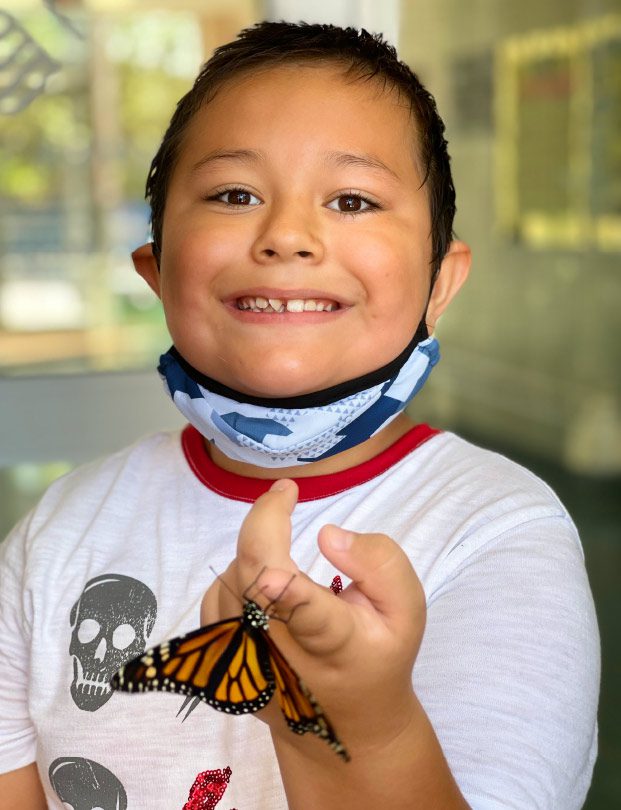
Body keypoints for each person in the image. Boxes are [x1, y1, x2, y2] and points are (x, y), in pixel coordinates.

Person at [0, 21, 599, 810]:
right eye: (233, 194)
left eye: (352, 199)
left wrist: (362, 725)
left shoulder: (498, 530)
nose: (286, 236)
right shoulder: (59, 529)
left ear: (439, 281)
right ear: (155, 267)